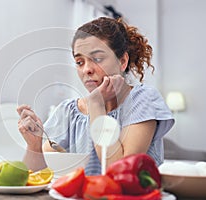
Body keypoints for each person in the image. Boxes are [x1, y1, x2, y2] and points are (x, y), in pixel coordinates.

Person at [17, 17, 174, 175]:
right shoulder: (69, 111)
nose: (86, 70)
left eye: (97, 59)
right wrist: (34, 146)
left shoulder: (142, 99)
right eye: (79, 62)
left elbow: (120, 173)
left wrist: (97, 106)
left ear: (122, 61)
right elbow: (36, 176)